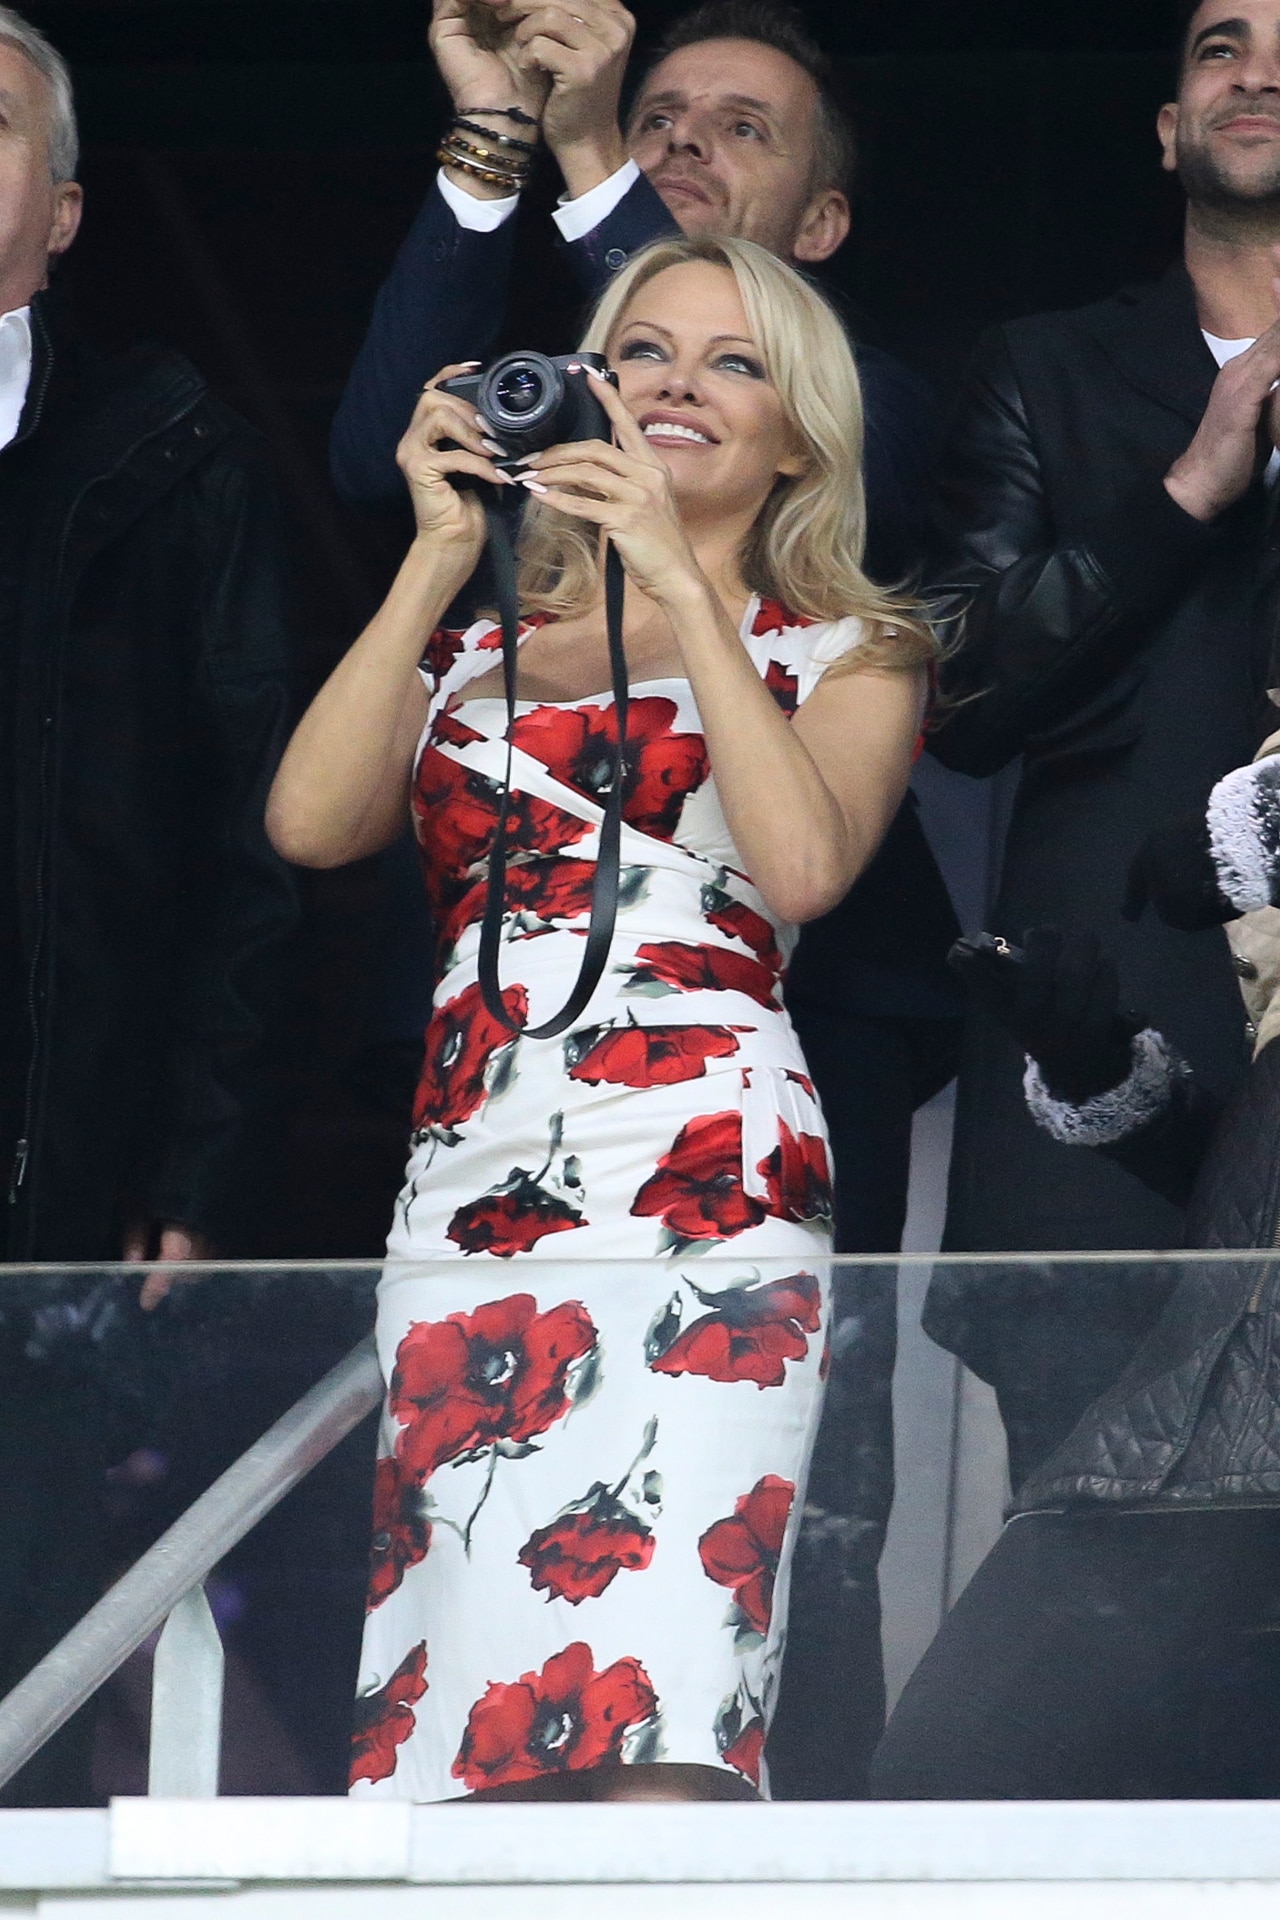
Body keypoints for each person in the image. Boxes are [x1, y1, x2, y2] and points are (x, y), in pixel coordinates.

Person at [329, 0, 962, 1797]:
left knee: (664, 1685)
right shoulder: (481, 648)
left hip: (706, 1175)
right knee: (470, 1729)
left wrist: (686, 599)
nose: (681, 384)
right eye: (647, 354)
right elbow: (310, 828)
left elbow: (811, 870)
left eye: (733, 364)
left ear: (802, 432)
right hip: (469, 1171)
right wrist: (451, 554)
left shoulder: (847, 642)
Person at [0, 7, 297, 1803]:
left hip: (54, 1209)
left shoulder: (169, 458)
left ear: (68, 208)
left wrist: (198, 1172)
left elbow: (262, 856)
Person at [924, 0, 1280, 1477]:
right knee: (1091, 1598)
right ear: (1164, 127)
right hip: (1109, 1024)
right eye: (1221, 48)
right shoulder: (1047, 364)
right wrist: (1189, 488)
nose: (1259, 74)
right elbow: (958, 693)